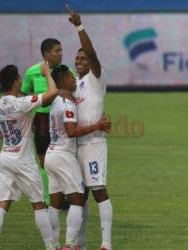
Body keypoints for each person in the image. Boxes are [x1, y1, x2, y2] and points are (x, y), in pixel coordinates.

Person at [0, 63, 57, 250]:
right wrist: (46, 73)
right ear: (16, 81)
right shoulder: (22, 103)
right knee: (39, 205)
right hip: (23, 161)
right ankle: (51, 247)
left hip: (4, 159)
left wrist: (11, 129)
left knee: (2, 204)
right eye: (19, 77)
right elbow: (52, 93)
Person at [44, 65, 111, 250]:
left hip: (51, 154)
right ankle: (70, 244)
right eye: (70, 77)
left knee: (55, 203)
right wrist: (98, 125)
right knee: (77, 199)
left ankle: (53, 246)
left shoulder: (55, 101)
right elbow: (72, 131)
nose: (74, 80)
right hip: (64, 156)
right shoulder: (67, 104)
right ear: (63, 80)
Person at [67, 7, 113, 250]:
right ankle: (79, 244)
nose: (79, 61)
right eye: (77, 59)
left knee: (98, 191)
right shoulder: (75, 85)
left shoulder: (96, 77)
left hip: (94, 144)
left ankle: (106, 244)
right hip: (76, 145)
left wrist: (79, 27)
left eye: (83, 58)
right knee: (79, 196)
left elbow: (92, 54)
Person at [21, 38, 62, 206]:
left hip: (60, 119)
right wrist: (26, 119)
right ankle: (47, 198)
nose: (61, 54)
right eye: (57, 51)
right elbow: (24, 95)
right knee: (44, 161)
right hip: (42, 120)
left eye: (61, 50)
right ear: (46, 54)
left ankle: (63, 196)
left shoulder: (65, 71)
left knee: (61, 159)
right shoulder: (32, 72)